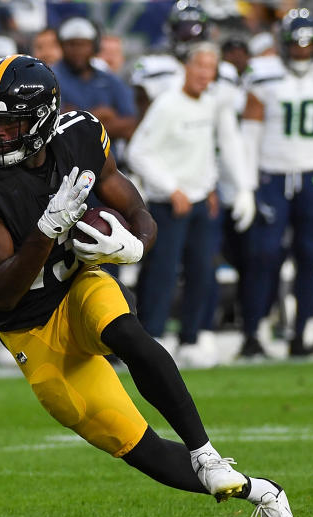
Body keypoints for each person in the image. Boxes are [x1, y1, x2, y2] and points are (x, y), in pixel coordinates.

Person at [0, 54, 300, 517]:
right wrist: (46, 231)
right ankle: (264, 492)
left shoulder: (80, 135)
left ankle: (205, 452)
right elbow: (1, 290)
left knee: (127, 333)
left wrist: (136, 245)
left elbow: (134, 205)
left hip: (78, 286)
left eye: (9, 125)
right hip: (28, 327)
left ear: (43, 120)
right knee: (141, 448)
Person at [126, 42, 254, 367]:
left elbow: (208, 150)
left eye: (210, 68)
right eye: (199, 67)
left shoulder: (210, 104)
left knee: (202, 272)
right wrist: (172, 189)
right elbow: (139, 152)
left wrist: (211, 186)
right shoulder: (167, 105)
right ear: (187, 67)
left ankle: (191, 337)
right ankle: (152, 337)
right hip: (170, 205)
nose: (203, 74)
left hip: (200, 202)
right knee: (162, 273)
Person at [240, 8, 313, 358]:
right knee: (264, 256)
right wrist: (248, 187)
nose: (301, 52)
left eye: (307, 46)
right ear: (283, 44)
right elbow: (250, 135)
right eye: (296, 45)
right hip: (272, 176)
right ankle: (254, 334)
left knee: (309, 257)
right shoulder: (263, 75)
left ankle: (302, 334)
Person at [53, 17, 136, 140]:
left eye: (84, 45)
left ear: (94, 46)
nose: (78, 51)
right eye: (71, 44)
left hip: (108, 156)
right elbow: (57, 126)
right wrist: (100, 116)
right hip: (68, 157)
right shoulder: (52, 78)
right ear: (61, 46)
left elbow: (131, 124)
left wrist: (76, 116)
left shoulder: (109, 80)